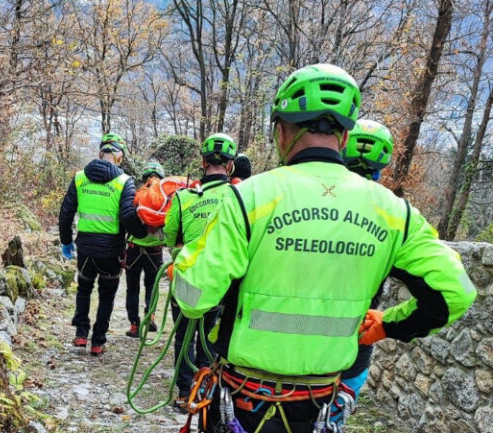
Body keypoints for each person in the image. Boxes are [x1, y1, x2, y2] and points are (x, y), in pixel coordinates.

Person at [171, 64, 476, 432]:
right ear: (344, 137)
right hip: (320, 406)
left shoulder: (248, 198)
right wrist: (389, 324)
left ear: (281, 131)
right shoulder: (395, 213)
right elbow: (455, 292)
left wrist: (184, 264)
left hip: (243, 403)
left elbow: (194, 298)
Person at [163, 133, 239, 412]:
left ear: (204, 162)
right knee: (210, 336)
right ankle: (204, 390)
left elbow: (170, 236)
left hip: (187, 277)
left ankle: (185, 393)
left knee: (184, 336)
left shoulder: (183, 197)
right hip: (221, 281)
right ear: (230, 165)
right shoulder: (239, 196)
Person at [59, 133, 147, 356]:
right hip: (111, 251)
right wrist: (143, 233)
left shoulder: (80, 178)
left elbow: (66, 213)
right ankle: (98, 341)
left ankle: (81, 334)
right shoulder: (124, 181)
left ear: (100, 153)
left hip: (85, 248)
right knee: (106, 296)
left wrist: (66, 242)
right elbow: (128, 216)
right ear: (120, 156)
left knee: (84, 289)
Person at [338, 119, 394, 401]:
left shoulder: (313, 201)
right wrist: (392, 323)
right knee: (337, 409)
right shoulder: (395, 216)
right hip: (357, 335)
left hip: (296, 339)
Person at [125, 162, 166, 338]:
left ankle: (134, 325)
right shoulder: (165, 196)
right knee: (152, 286)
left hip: (134, 248)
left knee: (132, 288)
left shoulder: (137, 194)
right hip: (155, 249)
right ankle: (150, 318)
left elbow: (127, 217)